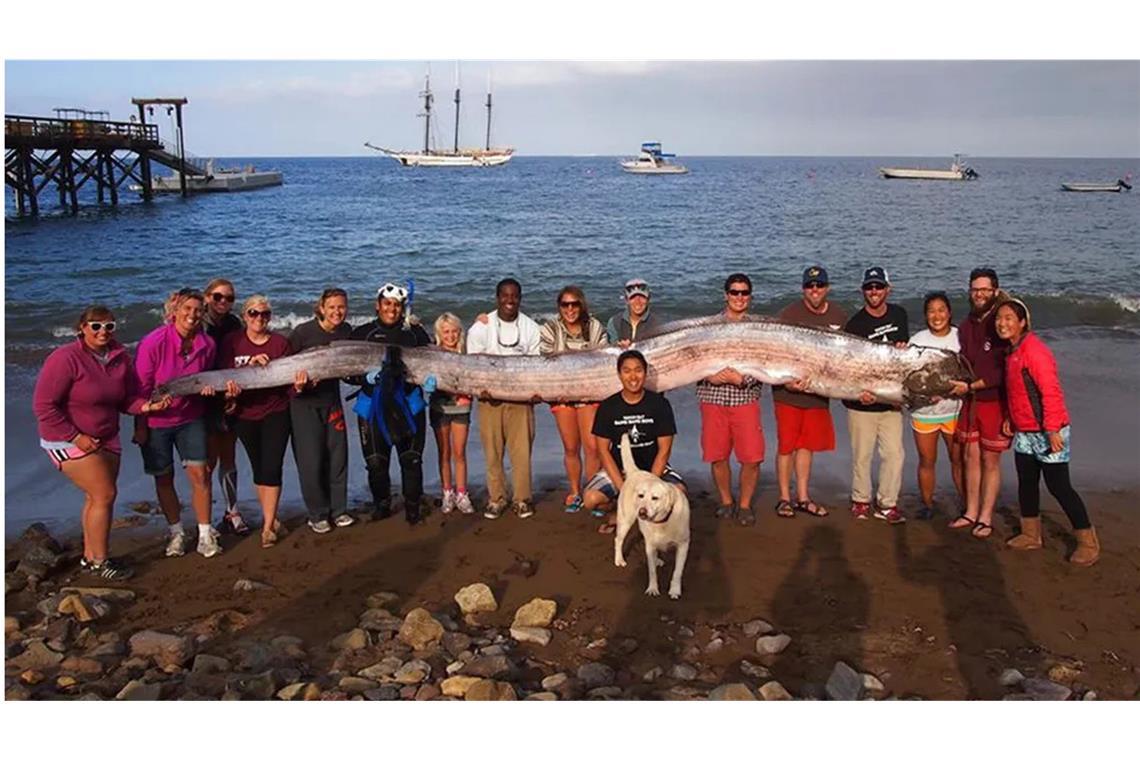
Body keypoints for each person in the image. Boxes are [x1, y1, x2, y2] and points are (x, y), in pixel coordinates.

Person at [33, 306, 170, 580]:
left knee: (95, 497)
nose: (103, 331)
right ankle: (100, 562)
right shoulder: (65, 358)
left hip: (107, 436)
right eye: (96, 326)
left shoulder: (119, 358)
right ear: (82, 328)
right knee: (104, 495)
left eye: (109, 326)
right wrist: (76, 437)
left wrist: (147, 407)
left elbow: (125, 400)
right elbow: (44, 406)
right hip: (67, 438)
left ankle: (90, 556)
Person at [997, 299, 1098, 565]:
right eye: (999, 318)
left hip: (1049, 430)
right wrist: (1010, 418)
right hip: (1025, 431)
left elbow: (1051, 392)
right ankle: (1031, 534)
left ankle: (1088, 541)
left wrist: (1052, 430)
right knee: (1026, 482)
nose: (1002, 323)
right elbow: (1016, 392)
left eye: (1008, 318)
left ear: (1022, 323)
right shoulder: (1011, 352)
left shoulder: (1035, 351)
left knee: (1059, 486)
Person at [134, 288, 221, 559]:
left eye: (198, 310)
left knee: (201, 474)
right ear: (175, 311)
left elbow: (206, 378)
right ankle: (177, 532)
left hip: (191, 417)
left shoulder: (207, 345)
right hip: (156, 421)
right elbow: (141, 388)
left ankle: (205, 535)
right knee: (164, 477)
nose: (192, 315)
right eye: (187, 309)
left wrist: (208, 390)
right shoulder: (153, 342)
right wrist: (140, 425)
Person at [219, 295, 303, 548]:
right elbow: (222, 374)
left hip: (276, 411)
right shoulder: (232, 342)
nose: (259, 318)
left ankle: (267, 528)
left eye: (265, 314)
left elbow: (289, 384)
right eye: (254, 313)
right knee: (259, 468)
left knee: (272, 467)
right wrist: (244, 373)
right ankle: (272, 517)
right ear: (244, 316)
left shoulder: (280, 343)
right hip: (244, 413)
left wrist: (299, 387)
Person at [350, 282, 432, 524]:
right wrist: (363, 378)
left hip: (409, 404)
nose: (392, 309)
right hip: (372, 406)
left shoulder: (414, 333)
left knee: (411, 459)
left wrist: (432, 380)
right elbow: (345, 371)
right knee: (376, 462)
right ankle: (382, 505)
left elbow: (432, 363)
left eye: (396, 305)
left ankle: (413, 508)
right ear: (377, 306)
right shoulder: (362, 334)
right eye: (387, 304)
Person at [770, 266, 848, 518]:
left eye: (819, 285)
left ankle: (803, 497)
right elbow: (772, 351)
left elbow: (847, 357)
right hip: (787, 394)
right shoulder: (788, 314)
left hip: (818, 394)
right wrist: (786, 382)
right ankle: (784, 498)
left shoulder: (839, 315)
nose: (815, 290)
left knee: (807, 446)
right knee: (786, 446)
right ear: (803, 289)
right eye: (809, 286)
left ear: (827, 288)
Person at [584, 349, 686, 534]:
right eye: (627, 371)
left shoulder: (660, 404)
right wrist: (625, 490)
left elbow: (664, 450)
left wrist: (650, 484)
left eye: (638, 370)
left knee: (678, 493)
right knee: (591, 499)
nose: (633, 376)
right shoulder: (608, 407)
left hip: (653, 469)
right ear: (619, 374)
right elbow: (603, 451)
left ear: (645, 373)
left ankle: (651, 519)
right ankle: (617, 511)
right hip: (620, 470)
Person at [467, 277, 542, 519]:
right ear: (497, 298)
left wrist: (535, 392)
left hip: (521, 400)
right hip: (489, 400)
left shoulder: (531, 328)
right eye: (505, 295)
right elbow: (473, 365)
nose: (510, 300)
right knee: (493, 452)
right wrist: (480, 389)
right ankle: (496, 498)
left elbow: (536, 366)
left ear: (520, 299)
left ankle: (522, 499)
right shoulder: (480, 327)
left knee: (521, 453)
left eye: (514, 296)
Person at [696, 273, 765, 527]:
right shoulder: (707, 327)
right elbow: (692, 358)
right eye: (734, 292)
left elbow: (767, 360)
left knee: (752, 458)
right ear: (726, 295)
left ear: (750, 297)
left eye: (744, 293)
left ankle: (744, 505)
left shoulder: (759, 329)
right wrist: (709, 376)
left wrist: (743, 379)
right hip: (712, 397)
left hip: (745, 398)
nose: (739, 297)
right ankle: (726, 500)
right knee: (717, 456)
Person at [842, 267, 910, 524]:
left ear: (887, 289)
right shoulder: (855, 324)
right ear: (863, 291)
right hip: (862, 402)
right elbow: (848, 365)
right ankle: (860, 500)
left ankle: (887, 504)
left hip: (890, 402)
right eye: (869, 287)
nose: (874, 291)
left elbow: (901, 359)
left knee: (894, 454)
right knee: (862, 455)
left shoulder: (899, 314)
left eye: (879, 286)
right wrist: (858, 394)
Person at [947, 267, 1010, 539]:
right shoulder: (965, 325)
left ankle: (986, 516)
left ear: (995, 291)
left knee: (989, 460)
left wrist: (972, 386)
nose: (979, 294)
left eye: (985, 289)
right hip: (970, 401)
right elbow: (964, 364)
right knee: (969, 456)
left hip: (994, 401)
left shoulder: (1002, 322)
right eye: (975, 289)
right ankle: (970, 511)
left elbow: (1003, 371)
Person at [290, 287, 355, 533]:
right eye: (332, 307)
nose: (337, 312)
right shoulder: (303, 333)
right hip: (304, 404)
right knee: (312, 460)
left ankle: (338, 510)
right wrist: (299, 385)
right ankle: (317, 514)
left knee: (338, 457)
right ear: (321, 308)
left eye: (341, 307)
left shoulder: (346, 332)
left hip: (332, 400)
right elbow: (282, 365)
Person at [539, 285, 609, 513]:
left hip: (589, 394)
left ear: (581, 305)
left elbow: (604, 361)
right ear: (559, 307)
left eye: (574, 304)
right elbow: (544, 364)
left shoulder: (595, 327)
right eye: (565, 305)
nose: (570, 309)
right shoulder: (550, 329)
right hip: (562, 395)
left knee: (592, 447)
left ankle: (592, 491)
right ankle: (575, 491)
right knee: (570, 447)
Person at [908, 291, 964, 519]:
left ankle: (967, 504)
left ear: (949, 313)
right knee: (926, 461)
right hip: (924, 412)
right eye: (931, 311)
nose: (936, 315)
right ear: (925, 315)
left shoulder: (961, 337)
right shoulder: (917, 341)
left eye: (941, 310)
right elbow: (907, 378)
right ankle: (928, 504)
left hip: (955, 412)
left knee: (958, 460)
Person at [431, 312, 475, 515]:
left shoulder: (466, 354)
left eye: (454, 331)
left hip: (461, 407)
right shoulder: (433, 354)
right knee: (444, 453)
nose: (450, 336)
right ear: (439, 334)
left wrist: (481, 319)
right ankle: (447, 492)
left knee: (459, 452)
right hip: (439, 407)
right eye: (446, 332)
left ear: (460, 332)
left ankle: (462, 493)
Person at [605, 278, 659, 346]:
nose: (638, 301)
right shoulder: (614, 322)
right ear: (627, 300)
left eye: (642, 297)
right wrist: (617, 345)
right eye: (633, 297)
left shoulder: (658, 323)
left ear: (648, 299)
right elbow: (610, 346)